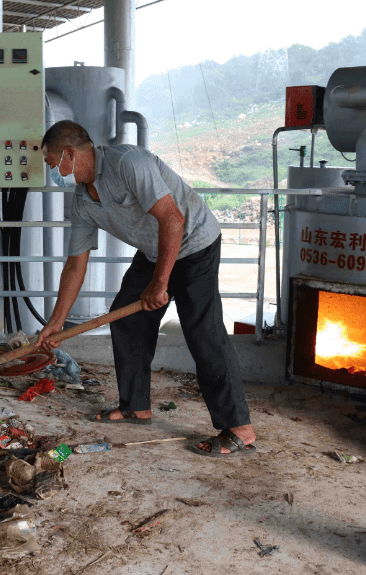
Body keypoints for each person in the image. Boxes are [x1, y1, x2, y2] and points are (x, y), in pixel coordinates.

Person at [34, 120, 256, 456]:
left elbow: (173, 218)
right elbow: (75, 264)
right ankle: (135, 406)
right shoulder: (82, 200)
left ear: (69, 155)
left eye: (52, 164)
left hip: (194, 242)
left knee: (203, 332)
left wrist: (160, 284)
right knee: (127, 319)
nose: (52, 171)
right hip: (156, 250)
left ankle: (239, 427)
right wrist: (56, 322)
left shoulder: (128, 163)